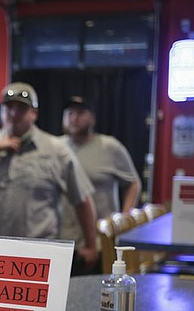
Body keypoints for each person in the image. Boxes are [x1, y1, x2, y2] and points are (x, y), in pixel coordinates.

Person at [0, 82, 99, 269]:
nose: (14, 114)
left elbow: (82, 200)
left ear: (34, 113)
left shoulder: (56, 150)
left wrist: (91, 245)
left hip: (38, 257)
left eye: (21, 108)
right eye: (9, 107)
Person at [58, 95, 142, 273]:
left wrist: (125, 216)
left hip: (100, 240)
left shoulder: (110, 147)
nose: (74, 118)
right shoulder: (56, 148)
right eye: (70, 113)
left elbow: (133, 183)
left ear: (92, 118)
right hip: (64, 240)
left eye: (81, 113)